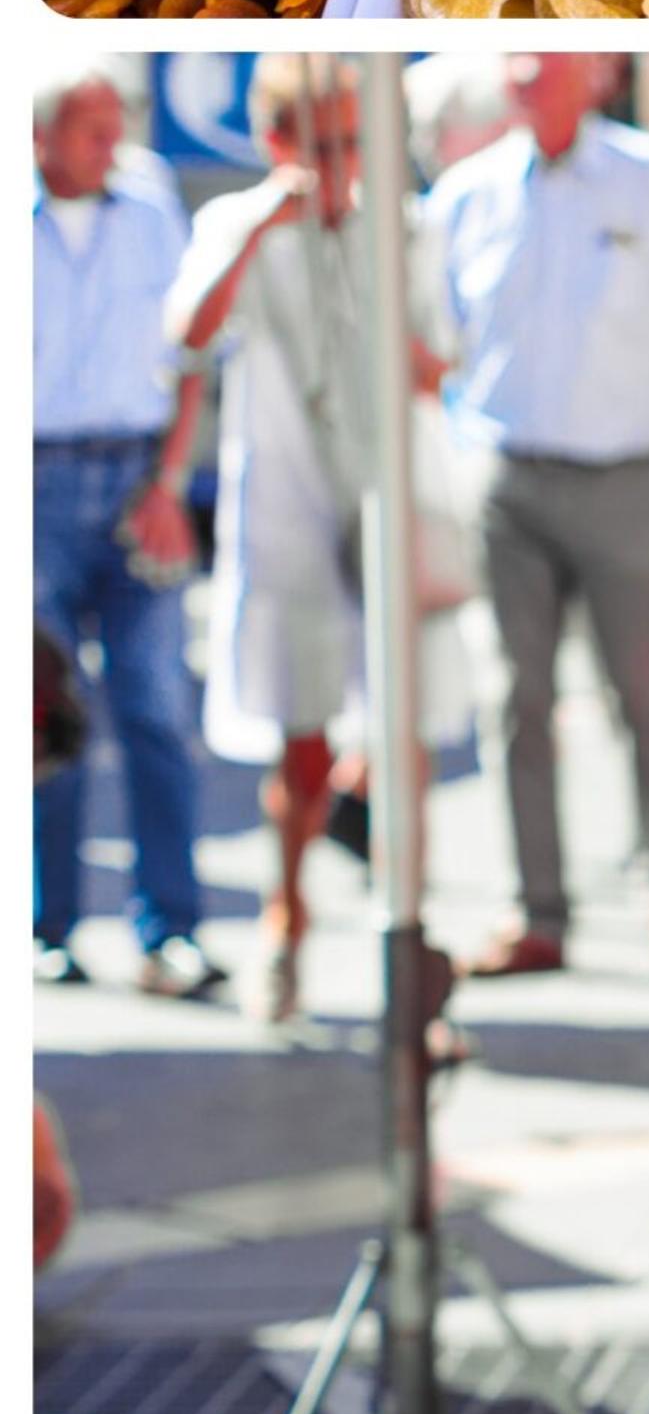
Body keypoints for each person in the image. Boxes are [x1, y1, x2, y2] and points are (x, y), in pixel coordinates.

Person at [164, 60, 470, 1017]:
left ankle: (403, 931)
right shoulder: (238, 225)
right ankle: (285, 914)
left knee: (406, 727)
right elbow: (186, 335)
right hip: (289, 496)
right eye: (327, 143)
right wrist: (267, 224)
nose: (345, 164)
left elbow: (436, 360)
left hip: (386, 490)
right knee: (299, 736)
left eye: (356, 142)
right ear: (281, 143)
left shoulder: (403, 223)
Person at [428, 54, 649, 974]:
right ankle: (537, 911)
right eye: (516, 60)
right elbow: (437, 334)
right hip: (510, 477)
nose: (523, 66)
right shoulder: (465, 195)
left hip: (626, 474)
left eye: (545, 58)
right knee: (513, 702)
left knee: (644, 693)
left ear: (593, 74)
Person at [32, 60, 220, 996]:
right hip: (31, 485)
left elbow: (189, 352)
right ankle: (47, 925)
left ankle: (169, 928)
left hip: (137, 477)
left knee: (154, 710)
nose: (114, 145)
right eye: (94, 129)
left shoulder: (151, 207)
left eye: (119, 125)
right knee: (44, 720)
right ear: (41, 138)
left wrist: (170, 480)